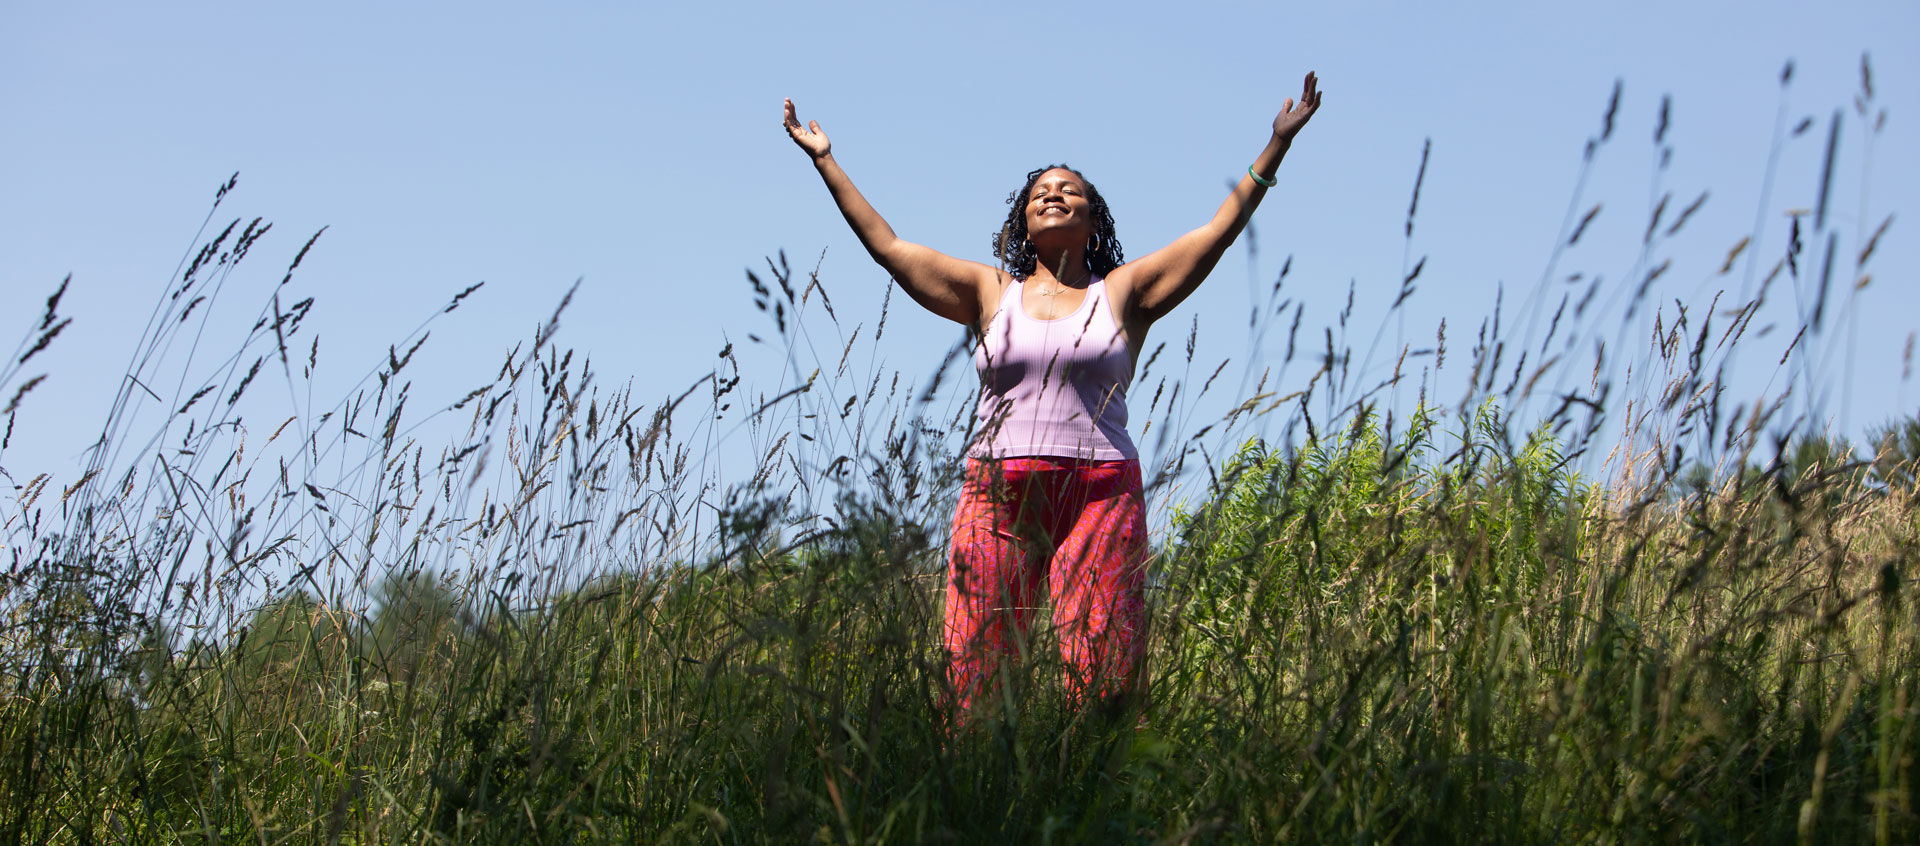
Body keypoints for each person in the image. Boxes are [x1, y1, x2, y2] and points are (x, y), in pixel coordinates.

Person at [783, 73, 1323, 716]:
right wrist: (826, 161)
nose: (1054, 195)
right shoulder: (990, 292)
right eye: (1042, 192)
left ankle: (1096, 799)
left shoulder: (1121, 293)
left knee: (1105, 682)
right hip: (997, 495)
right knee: (974, 675)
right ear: (1024, 219)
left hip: (1100, 495)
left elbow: (1215, 233)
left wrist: (1275, 146)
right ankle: (985, 806)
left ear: (1092, 220)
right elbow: (890, 248)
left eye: (1070, 191)